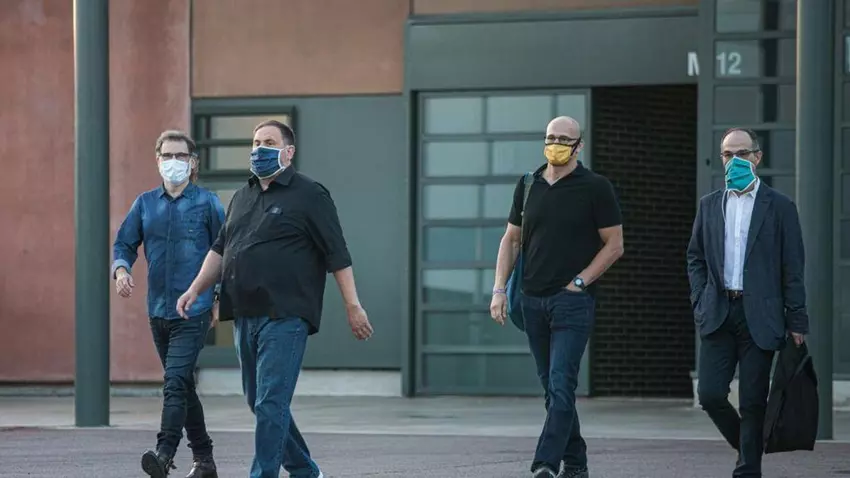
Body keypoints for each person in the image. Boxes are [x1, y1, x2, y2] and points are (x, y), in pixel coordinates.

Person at [176, 119, 373, 478]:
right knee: (260, 402)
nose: (259, 149)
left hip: (287, 315)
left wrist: (353, 305)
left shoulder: (310, 195)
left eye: (268, 142)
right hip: (244, 314)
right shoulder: (242, 196)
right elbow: (220, 249)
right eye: (255, 143)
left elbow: (337, 254)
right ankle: (305, 471)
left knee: (271, 402)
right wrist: (195, 289)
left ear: (288, 151)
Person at [490, 116, 624, 478]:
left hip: (572, 302)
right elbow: (511, 240)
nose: (556, 144)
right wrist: (499, 289)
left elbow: (614, 244)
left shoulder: (595, 187)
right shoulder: (528, 185)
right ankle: (576, 463)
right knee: (552, 389)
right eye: (551, 137)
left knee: (562, 383)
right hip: (531, 300)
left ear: (579, 146)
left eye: (565, 139)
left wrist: (580, 282)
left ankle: (545, 464)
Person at [686, 127, 808, 478]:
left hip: (761, 314)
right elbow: (695, 257)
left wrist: (797, 319)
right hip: (718, 311)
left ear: (757, 157)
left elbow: (792, 267)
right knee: (710, 394)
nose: (734, 160)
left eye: (742, 153)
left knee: (753, 400)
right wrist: (700, 299)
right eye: (728, 154)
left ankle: (748, 470)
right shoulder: (710, 205)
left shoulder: (780, 207)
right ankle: (749, 445)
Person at [112, 130, 225, 478]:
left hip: (194, 310)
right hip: (157, 311)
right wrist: (121, 270)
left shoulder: (208, 203)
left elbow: (226, 252)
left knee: (174, 382)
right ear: (158, 160)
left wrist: (218, 299)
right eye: (167, 155)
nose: (174, 162)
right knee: (183, 385)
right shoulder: (145, 204)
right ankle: (204, 460)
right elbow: (124, 244)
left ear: (193, 162)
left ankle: (164, 454)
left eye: (181, 156)